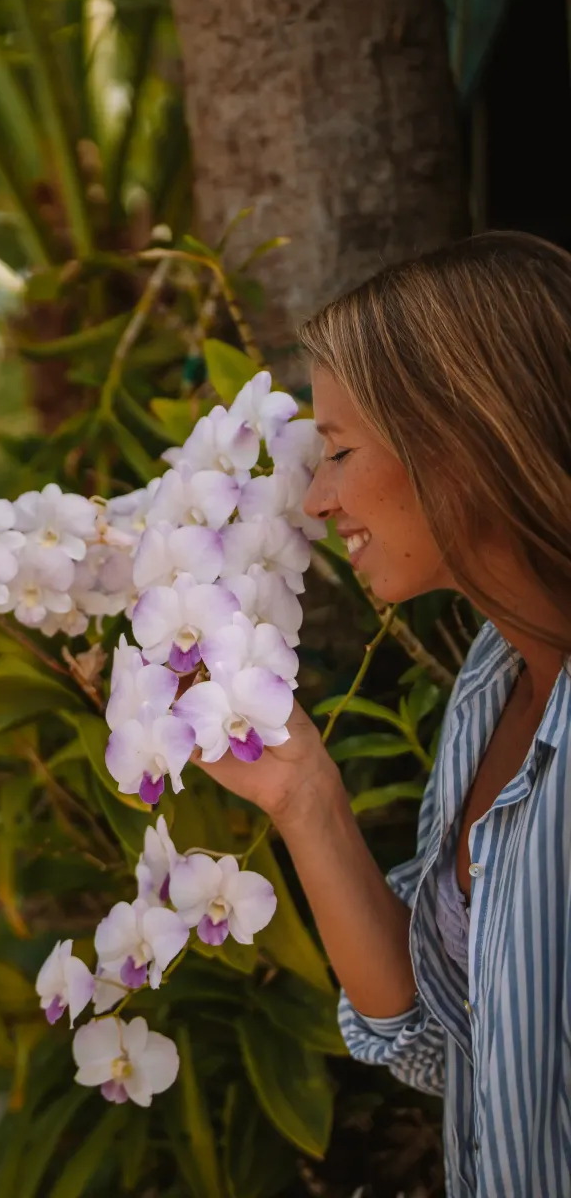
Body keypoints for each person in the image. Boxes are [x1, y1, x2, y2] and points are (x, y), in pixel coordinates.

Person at [198, 231, 571, 1197]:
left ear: (466, 442)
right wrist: (306, 800)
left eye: (340, 451)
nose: (315, 501)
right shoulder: (495, 687)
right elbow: (447, 1049)